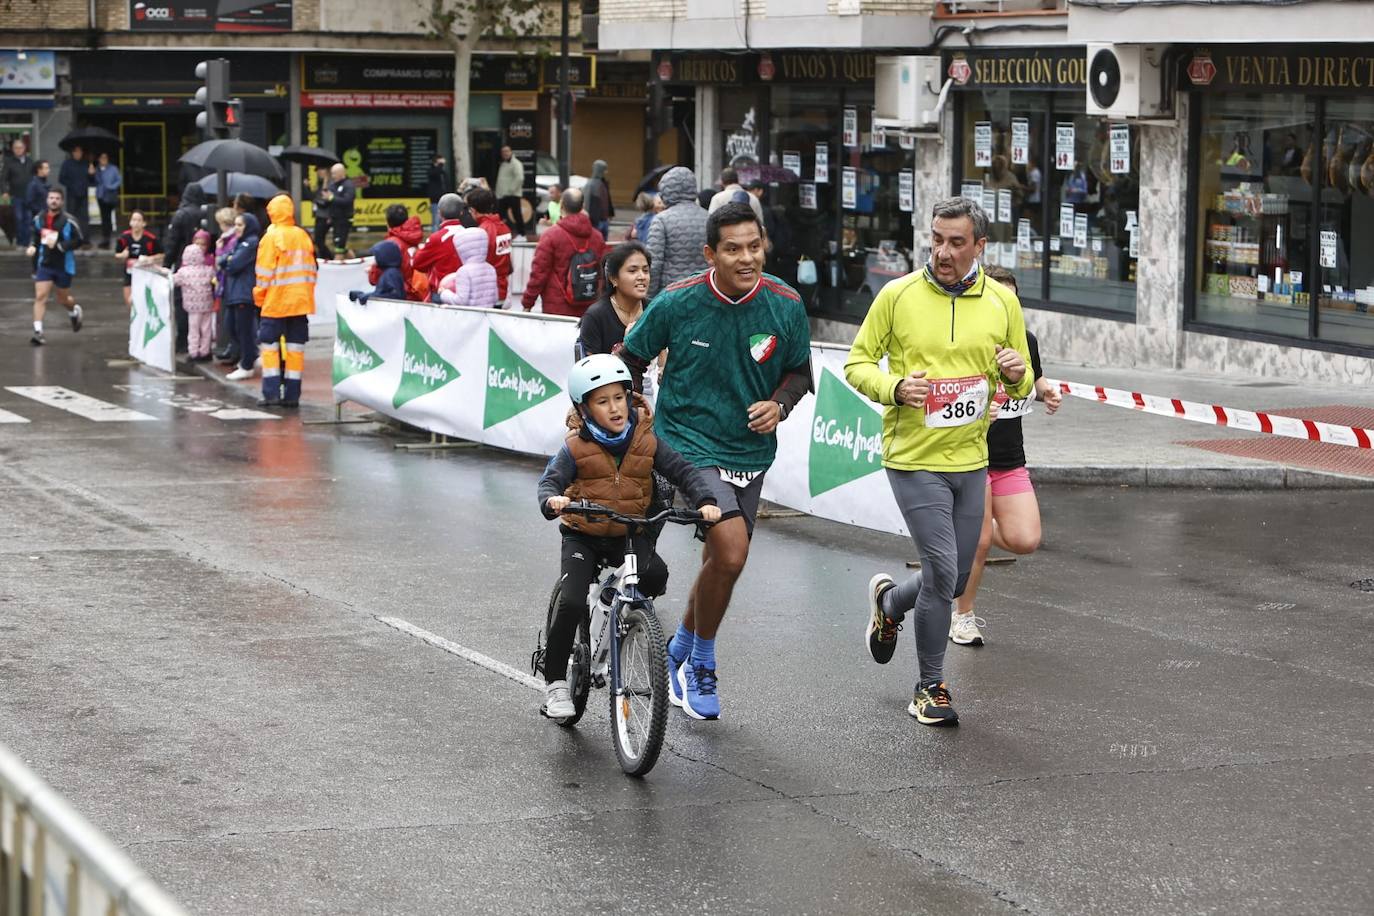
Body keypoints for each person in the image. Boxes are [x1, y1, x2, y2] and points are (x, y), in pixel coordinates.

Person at [620, 202, 813, 720]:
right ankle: (701, 661)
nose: (746, 257)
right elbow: (629, 361)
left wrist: (780, 405)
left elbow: (799, 373)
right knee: (730, 552)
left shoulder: (785, 304)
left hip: (749, 450)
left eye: (754, 246)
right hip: (685, 441)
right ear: (711, 254)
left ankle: (680, 651)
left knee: (722, 565)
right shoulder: (678, 302)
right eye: (733, 249)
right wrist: (630, 415)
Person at [846, 196, 1032, 728]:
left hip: (972, 457)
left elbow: (1020, 380)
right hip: (913, 456)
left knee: (948, 580)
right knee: (946, 569)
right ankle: (929, 687)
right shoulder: (897, 294)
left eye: (956, 242)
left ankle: (889, 605)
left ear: (980, 246)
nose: (943, 252)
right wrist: (896, 386)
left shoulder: (1001, 302)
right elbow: (858, 364)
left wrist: (1018, 373)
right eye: (936, 239)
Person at [536, 353, 721, 718]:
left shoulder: (646, 440)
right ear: (585, 409)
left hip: (628, 529)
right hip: (583, 533)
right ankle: (556, 681)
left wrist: (706, 500)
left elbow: (682, 470)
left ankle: (612, 604)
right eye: (602, 402)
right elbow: (550, 482)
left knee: (655, 575)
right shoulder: (576, 447)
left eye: (619, 397)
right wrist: (552, 500)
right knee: (572, 602)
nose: (615, 408)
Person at [947, 266, 1061, 646]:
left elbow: (1036, 377)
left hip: (1010, 458)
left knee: (1026, 539)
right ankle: (962, 617)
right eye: (999, 297)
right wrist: (977, 409)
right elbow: (944, 394)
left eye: (1013, 299)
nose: (1006, 306)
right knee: (978, 544)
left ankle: (970, 534)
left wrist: (1047, 392)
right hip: (971, 457)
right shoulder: (964, 339)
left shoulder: (1025, 340)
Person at [253, 194, 317, 408]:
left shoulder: (271, 238)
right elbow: (312, 270)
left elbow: (263, 273)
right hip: (300, 303)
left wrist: (260, 298)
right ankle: (292, 396)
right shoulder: (302, 235)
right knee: (295, 350)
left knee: (270, 348)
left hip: (275, 302)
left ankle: (271, 394)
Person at [520, 187, 605, 318]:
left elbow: (539, 273)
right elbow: (602, 272)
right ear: (583, 206)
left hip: (557, 309)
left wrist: (528, 302)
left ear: (561, 206)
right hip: (589, 307)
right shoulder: (597, 237)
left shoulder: (551, 235)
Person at [576, 241, 651, 389]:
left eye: (646, 270)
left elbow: (663, 365)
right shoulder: (595, 316)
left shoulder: (655, 310)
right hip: (609, 395)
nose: (642, 276)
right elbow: (591, 375)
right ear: (613, 278)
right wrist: (627, 347)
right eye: (632, 271)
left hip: (649, 394)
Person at [24, 187, 83, 346]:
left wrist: (60, 245)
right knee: (40, 296)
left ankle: (73, 311)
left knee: (62, 298)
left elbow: (79, 240)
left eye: (57, 198)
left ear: (62, 201)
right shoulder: (39, 219)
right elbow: (35, 235)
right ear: (47, 200)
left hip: (64, 265)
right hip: (45, 264)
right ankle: (38, 332)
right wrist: (32, 246)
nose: (54, 201)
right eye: (51, 198)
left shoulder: (69, 220)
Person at [645, 166, 709, 300]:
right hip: (704, 292)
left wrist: (649, 297)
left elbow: (654, 264)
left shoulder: (661, 220)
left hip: (671, 294)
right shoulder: (709, 218)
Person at [165, 183, 209, 353]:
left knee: (183, 302)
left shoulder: (180, 215)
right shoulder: (205, 213)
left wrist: (167, 265)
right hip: (204, 265)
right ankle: (203, 344)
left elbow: (172, 242)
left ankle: (184, 340)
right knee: (204, 308)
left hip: (183, 263)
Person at [222, 212, 261, 381]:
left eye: (240, 225)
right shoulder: (240, 242)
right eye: (235, 224)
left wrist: (228, 260)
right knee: (232, 326)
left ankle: (247, 364)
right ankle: (251, 356)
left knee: (243, 329)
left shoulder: (251, 242)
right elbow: (225, 259)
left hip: (244, 292)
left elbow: (232, 264)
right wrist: (228, 259)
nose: (236, 228)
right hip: (236, 292)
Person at [412, 193, 466, 300]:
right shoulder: (471, 234)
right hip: (467, 291)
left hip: (442, 293)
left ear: (439, 213)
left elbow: (417, 264)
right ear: (461, 212)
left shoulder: (436, 238)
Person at [367, 203, 427, 302]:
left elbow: (375, 279)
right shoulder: (414, 239)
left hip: (399, 297)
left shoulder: (390, 246)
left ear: (387, 222)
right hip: (419, 293)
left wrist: (371, 271)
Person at [173, 230, 217, 361]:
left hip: (192, 308)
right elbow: (215, 278)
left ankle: (193, 352)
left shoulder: (183, 272)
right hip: (207, 304)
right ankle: (205, 351)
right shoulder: (208, 269)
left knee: (194, 330)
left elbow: (172, 281)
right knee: (206, 329)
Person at [465, 187, 513, 306]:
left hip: (485, 292)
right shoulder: (504, 228)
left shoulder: (481, 232)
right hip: (502, 289)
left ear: (473, 210)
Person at [435, 228, 498, 308]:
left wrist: (444, 293)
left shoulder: (464, 271)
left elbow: (461, 301)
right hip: (487, 316)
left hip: (469, 317)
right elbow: (495, 298)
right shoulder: (490, 268)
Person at [113, 210, 158, 311]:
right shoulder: (123, 238)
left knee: (142, 303)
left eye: (139, 220)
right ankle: (134, 324)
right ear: (130, 222)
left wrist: (150, 258)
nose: (136, 223)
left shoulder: (151, 239)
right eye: (134, 220)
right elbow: (116, 254)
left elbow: (161, 254)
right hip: (129, 273)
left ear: (144, 223)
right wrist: (122, 255)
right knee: (129, 302)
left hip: (145, 274)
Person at [212, 208, 240, 365]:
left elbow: (224, 260)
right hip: (226, 281)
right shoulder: (229, 239)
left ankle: (235, 349)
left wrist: (218, 249)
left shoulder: (230, 240)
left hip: (229, 282)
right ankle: (232, 348)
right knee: (230, 318)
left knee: (232, 319)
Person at [348, 240, 407, 305]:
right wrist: (362, 295)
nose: (375, 259)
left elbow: (396, 296)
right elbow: (382, 293)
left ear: (384, 257)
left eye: (376, 256)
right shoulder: (388, 272)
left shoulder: (391, 273)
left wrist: (368, 297)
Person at [2, 138, 34, 248]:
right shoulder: (9, 162)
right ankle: (20, 242)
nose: (18, 150)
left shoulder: (30, 161)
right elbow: (3, 179)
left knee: (28, 219)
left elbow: (35, 177)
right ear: (13, 149)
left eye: (20, 147)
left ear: (24, 148)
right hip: (16, 195)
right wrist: (5, 192)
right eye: (16, 148)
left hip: (29, 195)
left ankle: (27, 241)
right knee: (19, 218)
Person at [320, 163, 356, 260]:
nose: (333, 176)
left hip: (344, 220)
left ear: (342, 173)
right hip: (335, 219)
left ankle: (335, 270)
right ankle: (356, 263)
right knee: (341, 246)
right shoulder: (333, 185)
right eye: (332, 174)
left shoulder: (348, 185)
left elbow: (347, 201)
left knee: (339, 248)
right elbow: (328, 201)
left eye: (334, 174)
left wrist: (331, 198)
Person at [58, 146, 93, 244]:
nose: (78, 154)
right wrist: (72, 185)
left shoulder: (85, 163)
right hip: (72, 194)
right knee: (71, 216)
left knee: (84, 217)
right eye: (76, 152)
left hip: (83, 194)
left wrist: (91, 174)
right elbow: (61, 178)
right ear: (73, 153)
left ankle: (85, 239)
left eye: (80, 152)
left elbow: (92, 181)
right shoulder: (67, 164)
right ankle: (71, 237)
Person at [494, 145, 526, 238]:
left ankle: (522, 234)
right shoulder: (503, 163)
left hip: (512, 194)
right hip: (502, 195)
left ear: (511, 152)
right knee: (501, 215)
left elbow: (519, 178)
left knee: (517, 215)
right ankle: (502, 233)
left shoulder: (516, 164)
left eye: (507, 151)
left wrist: (511, 190)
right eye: (503, 152)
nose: (505, 153)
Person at [94, 152, 121, 249]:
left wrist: (111, 187)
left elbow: (119, 180)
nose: (103, 160)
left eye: (105, 158)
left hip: (110, 196)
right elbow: (95, 181)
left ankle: (107, 239)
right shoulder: (97, 169)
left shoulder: (113, 168)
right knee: (104, 218)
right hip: (101, 196)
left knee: (107, 218)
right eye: (101, 158)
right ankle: (105, 239)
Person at [583, 159, 614, 238]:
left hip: (604, 220)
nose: (605, 172)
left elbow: (607, 200)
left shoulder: (603, 183)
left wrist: (610, 214)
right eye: (604, 170)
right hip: (596, 221)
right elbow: (587, 204)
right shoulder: (590, 185)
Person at [426, 153, 450, 229]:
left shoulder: (443, 172)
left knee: (443, 221)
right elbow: (435, 173)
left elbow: (446, 184)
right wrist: (440, 164)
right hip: (435, 199)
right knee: (436, 220)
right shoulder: (431, 170)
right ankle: (434, 238)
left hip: (444, 198)